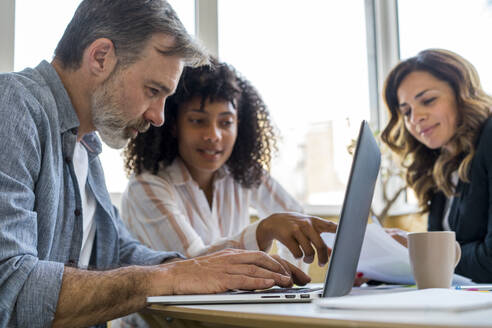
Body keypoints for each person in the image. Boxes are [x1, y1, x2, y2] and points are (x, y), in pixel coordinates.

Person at [0, 1, 311, 327]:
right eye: (153, 90)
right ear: (101, 57)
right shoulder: (13, 106)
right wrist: (168, 276)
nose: (159, 117)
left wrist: (211, 267)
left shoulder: (85, 149)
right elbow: (10, 287)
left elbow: (120, 254)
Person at [122, 59, 336, 268]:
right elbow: (192, 265)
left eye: (226, 123)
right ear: (174, 125)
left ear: (239, 127)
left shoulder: (242, 173)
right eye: (198, 121)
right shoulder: (146, 187)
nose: (214, 135)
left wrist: (287, 277)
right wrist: (263, 231)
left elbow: (297, 219)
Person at [381, 48, 492, 283]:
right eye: (407, 111)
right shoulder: (440, 165)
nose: (415, 118)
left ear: (463, 93)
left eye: (428, 100)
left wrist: (423, 251)